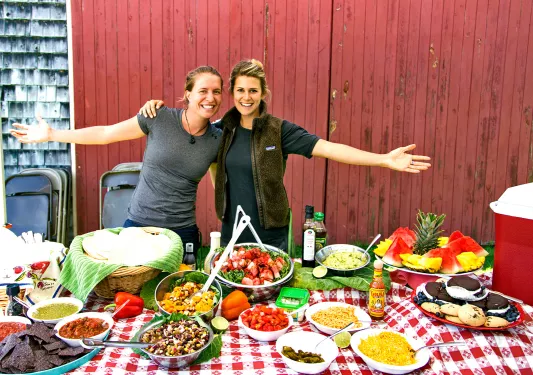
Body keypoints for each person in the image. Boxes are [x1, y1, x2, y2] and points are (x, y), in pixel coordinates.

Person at [140, 59, 431, 251]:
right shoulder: (221, 131)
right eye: (240, 90)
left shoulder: (280, 131)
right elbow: (209, 162)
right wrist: (157, 110)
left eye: (253, 90)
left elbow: (328, 148)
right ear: (231, 92)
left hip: (271, 232)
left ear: (262, 93)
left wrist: (382, 159)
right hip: (232, 232)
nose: (246, 97)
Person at [10, 66, 224, 256]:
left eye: (216, 92)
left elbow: (219, 188)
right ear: (188, 94)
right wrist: (53, 134)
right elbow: (105, 133)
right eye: (203, 91)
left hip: (181, 232)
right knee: (130, 293)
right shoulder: (159, 117)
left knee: (178, 295)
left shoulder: (217, 139)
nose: (210, 98)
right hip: (139, 226)